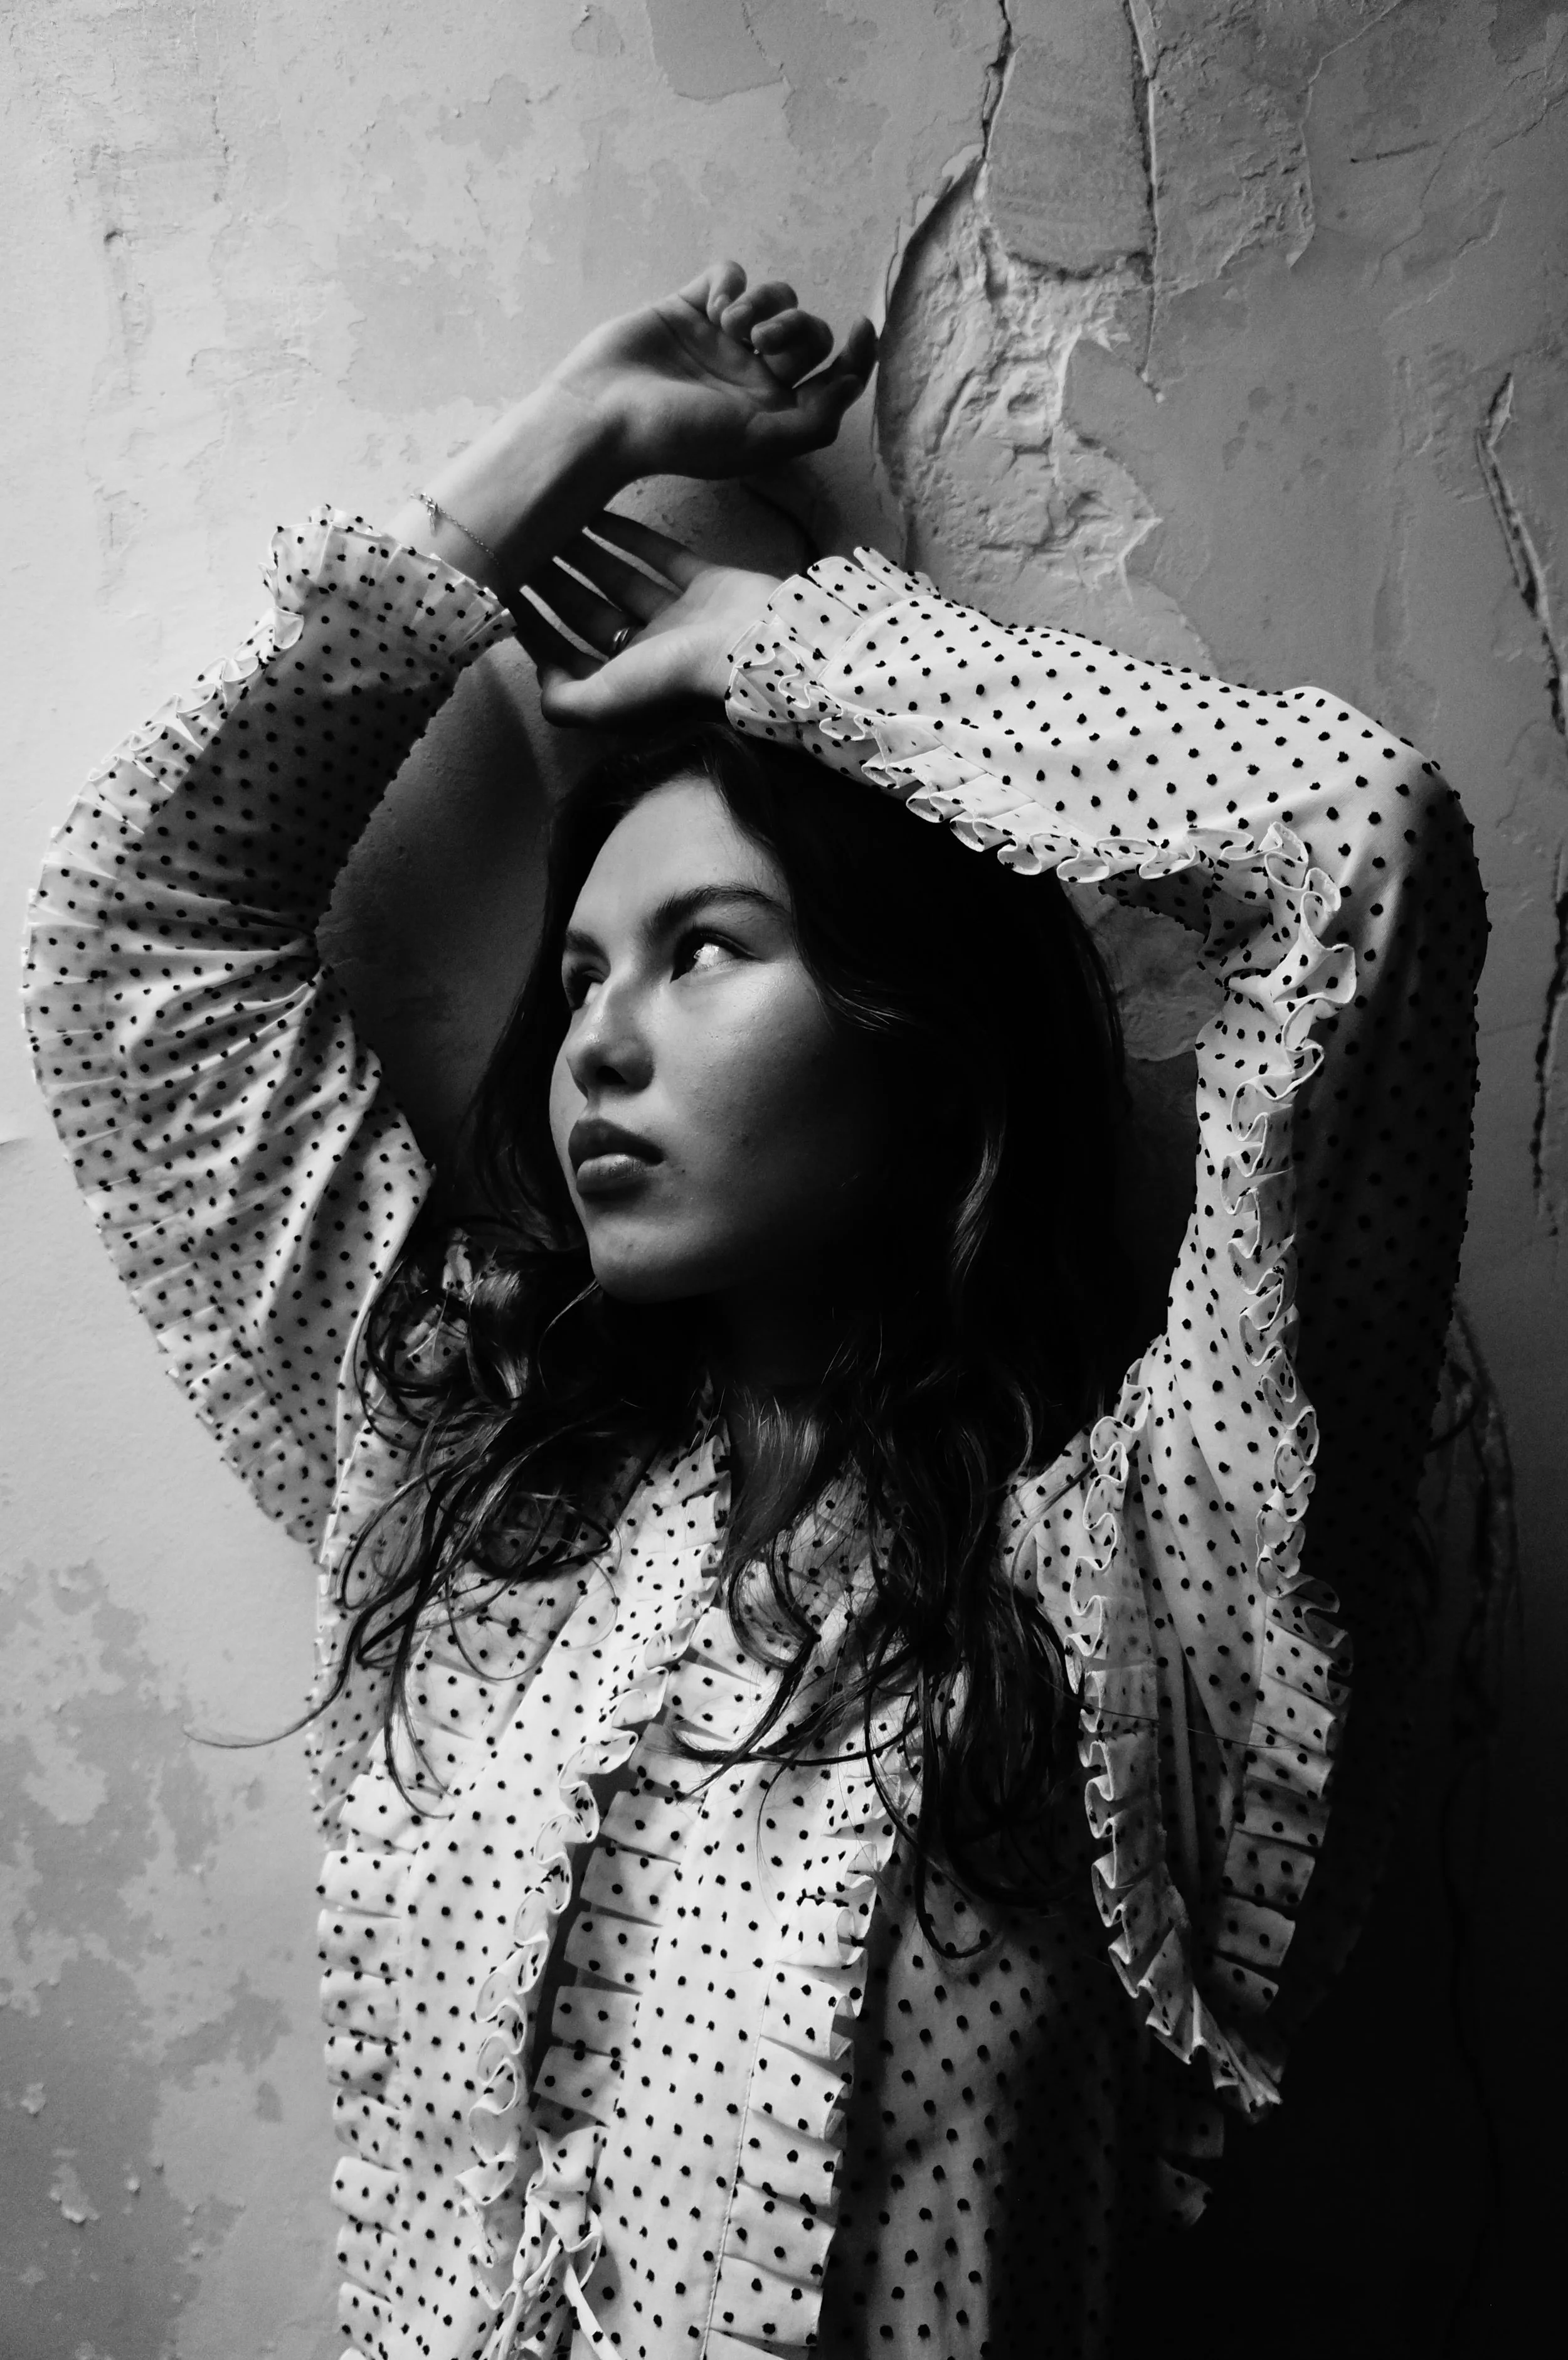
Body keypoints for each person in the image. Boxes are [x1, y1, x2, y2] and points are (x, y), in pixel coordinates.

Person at [23, 261, 1486, 2360]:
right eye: (578, 980)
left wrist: (790, 652)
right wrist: (559, 454)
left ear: (920, 1042)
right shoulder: (473, 1489)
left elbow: (1361, 856)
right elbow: (126, 955)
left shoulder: (1153, 1585)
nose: (595, 1047)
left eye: (703, 949)